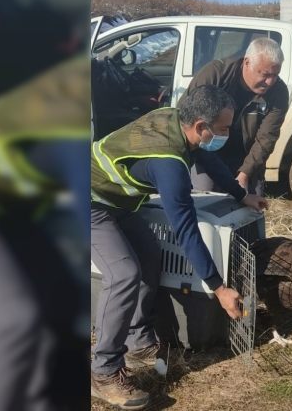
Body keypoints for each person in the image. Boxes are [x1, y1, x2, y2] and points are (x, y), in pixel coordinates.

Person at [90, 85, 267, 409]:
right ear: (201, 126)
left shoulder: (177, 119)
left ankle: (138, 339)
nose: (227, 133)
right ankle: (103, 371)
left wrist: (240, 194)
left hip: (120, 203)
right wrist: (219, 288)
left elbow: (207, 159)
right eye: (224, 128)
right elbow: (186, 231)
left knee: (150, 255)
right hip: (90, 201)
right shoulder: (170, 166)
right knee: (123, 274)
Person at [178, 37, 289, 195]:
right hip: (207, 152)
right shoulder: (216, 75)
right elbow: (185, 116)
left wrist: (244, 174)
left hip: (247, 156)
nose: (270, 82)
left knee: (251, 204)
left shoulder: (279, 92)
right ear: (247, 62)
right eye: (265, 74)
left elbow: (267, 138)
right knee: (204, 198)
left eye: (275, 75)